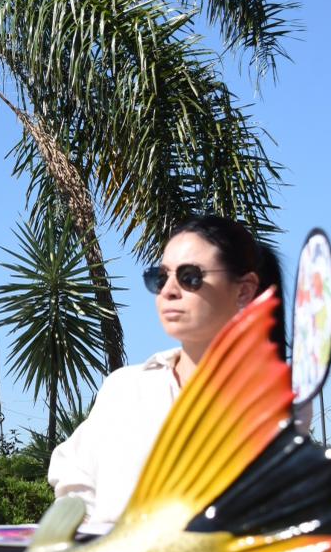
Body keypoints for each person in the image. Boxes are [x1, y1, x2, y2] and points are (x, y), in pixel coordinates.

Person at [48, 214, 285, 530]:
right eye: (161, 277)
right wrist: (85, 530)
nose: (169, 290)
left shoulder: (274, 398)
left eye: (190, 277)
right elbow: (71, 472)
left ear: (243, 291)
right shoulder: (124, 388)